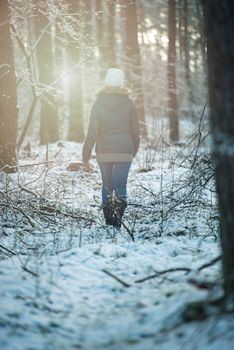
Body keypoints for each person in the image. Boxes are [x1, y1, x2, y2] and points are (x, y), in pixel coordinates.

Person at [82, 68, 140, 228]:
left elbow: (92, 131)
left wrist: (85, 156)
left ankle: (109, 221)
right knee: (121, 185)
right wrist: (132, 151)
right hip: (125, 151)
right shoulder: (129, 103)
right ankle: (118, 216)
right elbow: (136, 131)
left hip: (104, 151)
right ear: (121, 82)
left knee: (107, 185)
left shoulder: (99, 103)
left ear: (106, 82)